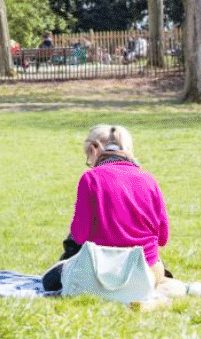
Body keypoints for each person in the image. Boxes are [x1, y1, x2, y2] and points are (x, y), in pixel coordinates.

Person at [42, 125, 170, 291]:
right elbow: (163, 238)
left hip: (101, 271)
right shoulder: (149, 180)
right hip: (147, 271)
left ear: (94, 149)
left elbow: (80, 235)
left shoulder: (91, 178)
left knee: (49, 280)